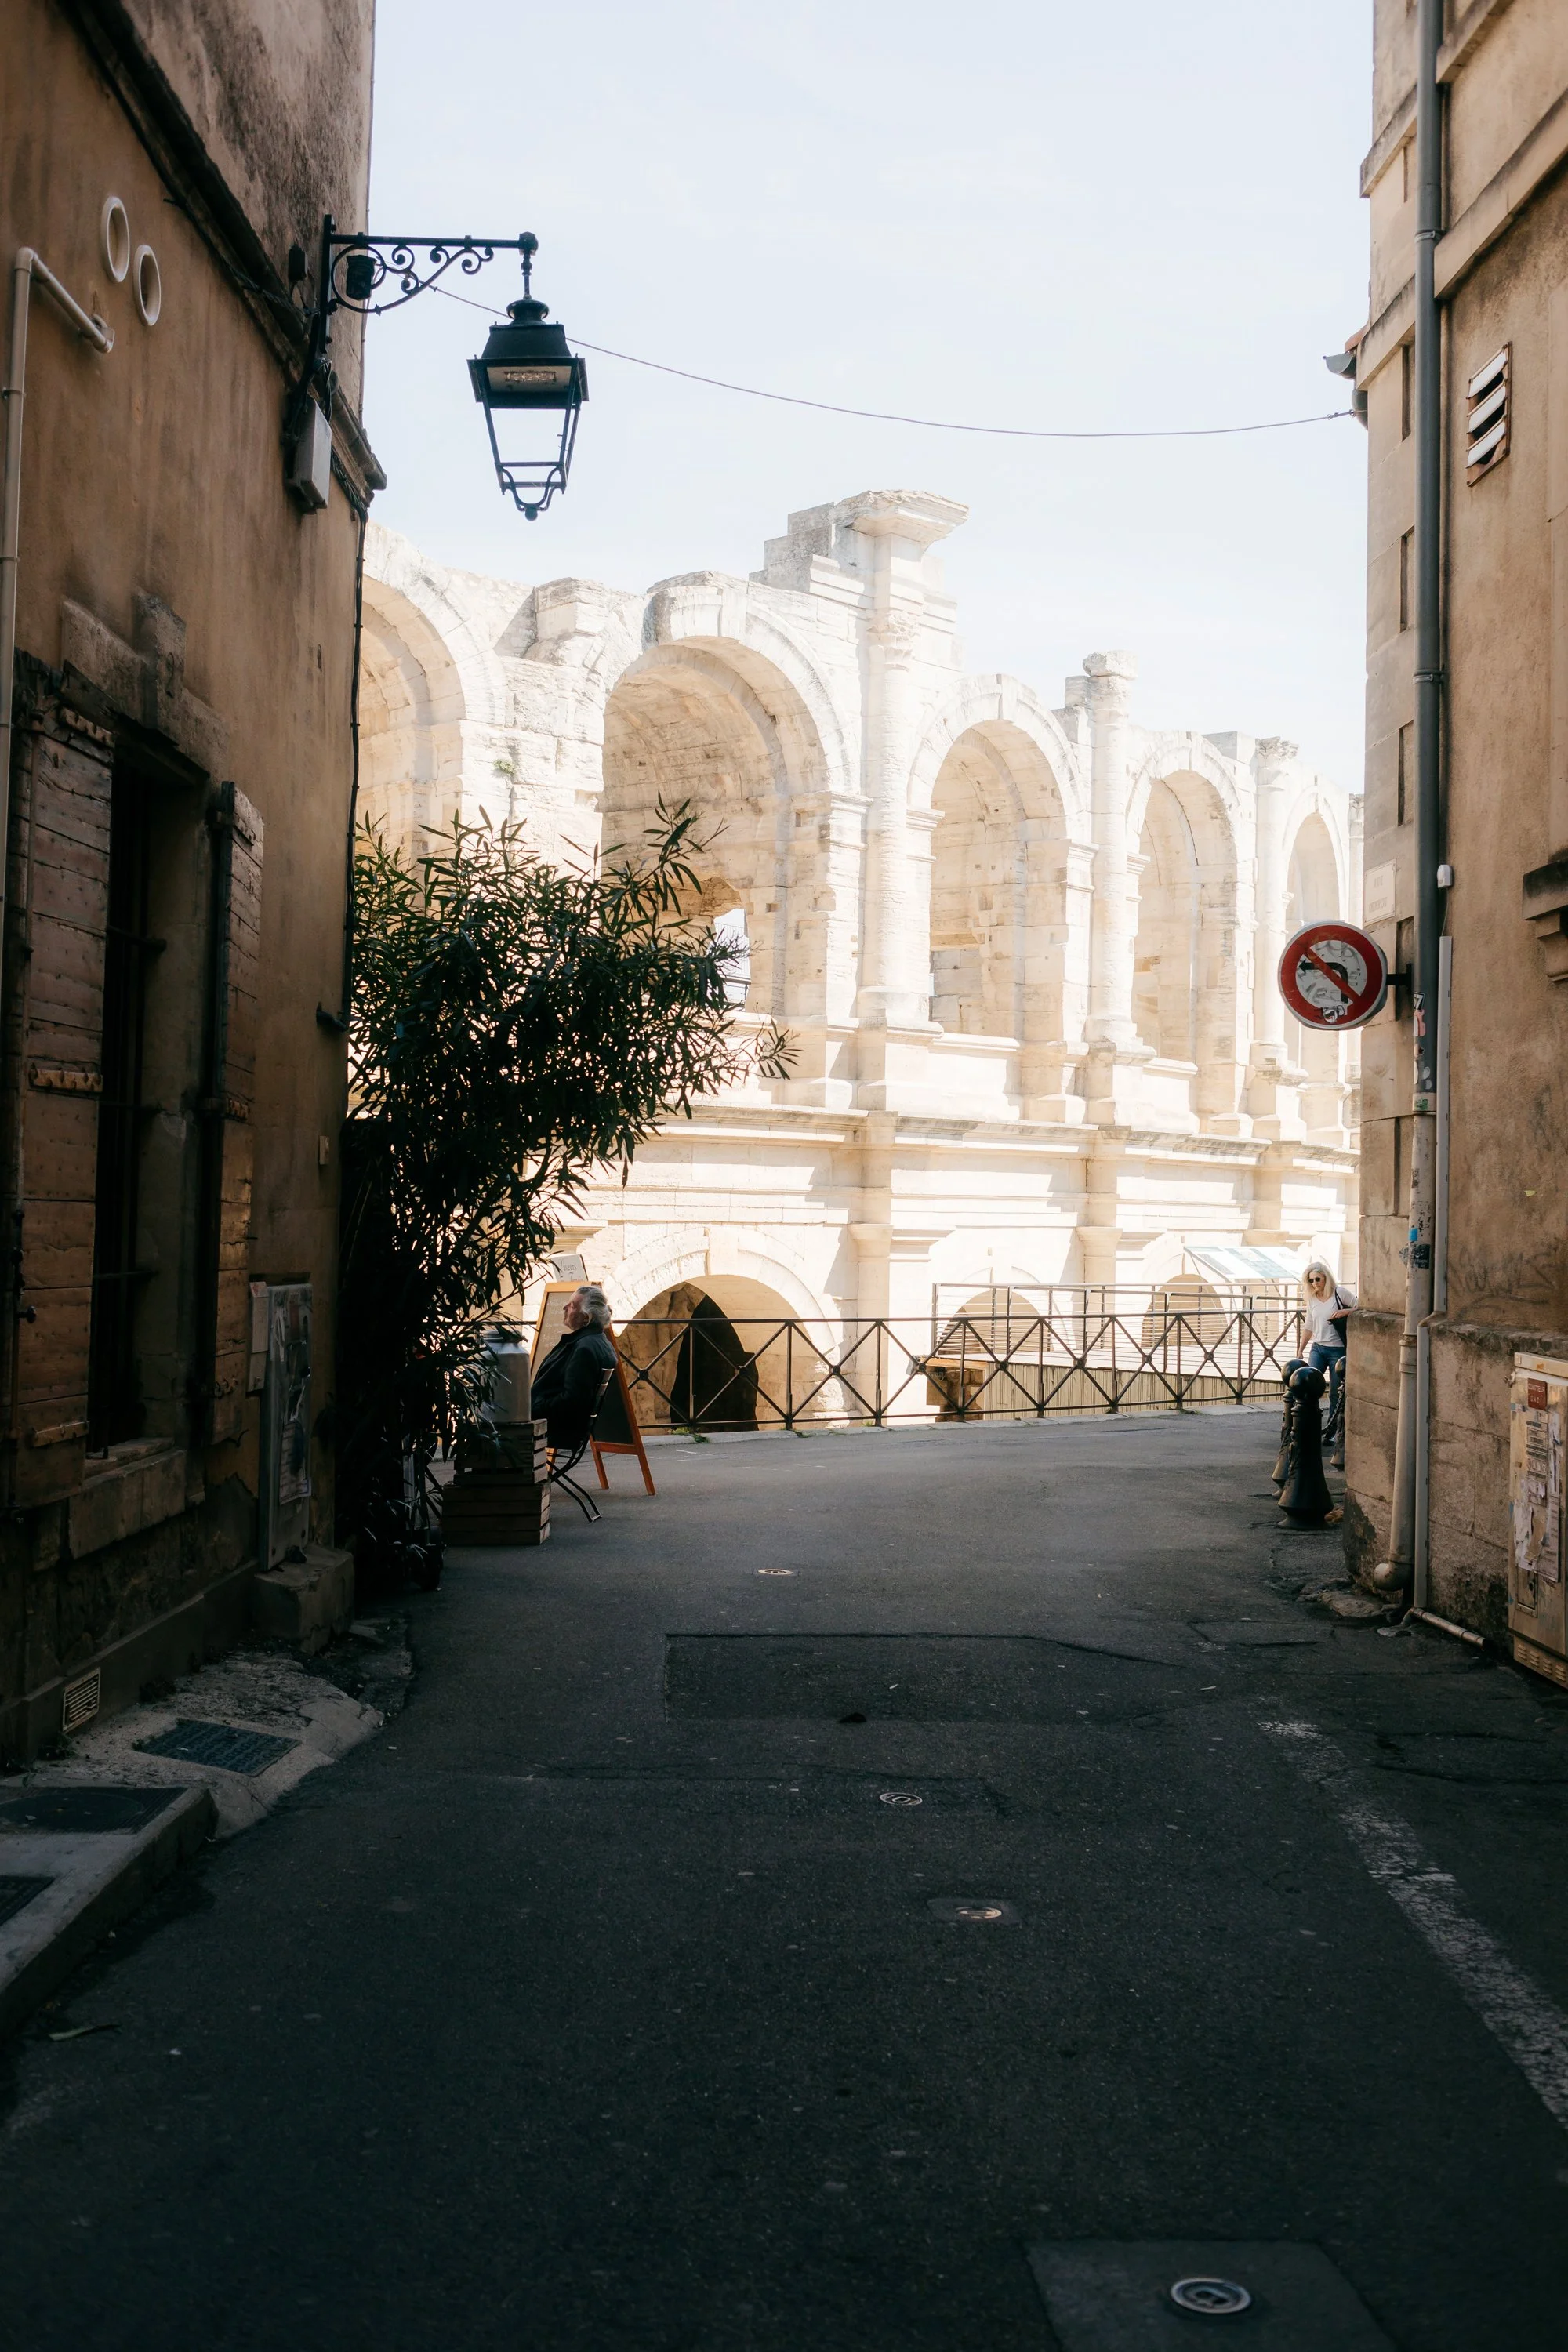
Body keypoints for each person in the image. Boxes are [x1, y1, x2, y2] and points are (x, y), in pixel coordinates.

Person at [531, 1284, 617, 1451]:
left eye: (572, 1305)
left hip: (556, 1428)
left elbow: (571, 1400)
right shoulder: (599, 1343)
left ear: (586, 1318)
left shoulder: (584, 1349)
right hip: (567, 1428)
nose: (565, 1307)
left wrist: (533, 1408)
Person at [1301, 1261, 1354, 1468]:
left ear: (1326, 1278)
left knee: (1335, 1392)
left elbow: (1362, 1306)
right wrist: (1301, 1348)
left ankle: (1331, 1433)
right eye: (1311, 1280)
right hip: (1318, 1347)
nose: (1314, 1284)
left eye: (1318, 1279)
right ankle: (1307, 1427)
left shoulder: (1340, 1293)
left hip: (1337, 1349)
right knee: (1307, 1385)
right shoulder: (1313, 1299)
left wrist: (1344, 1312)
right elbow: (1309, 1325)